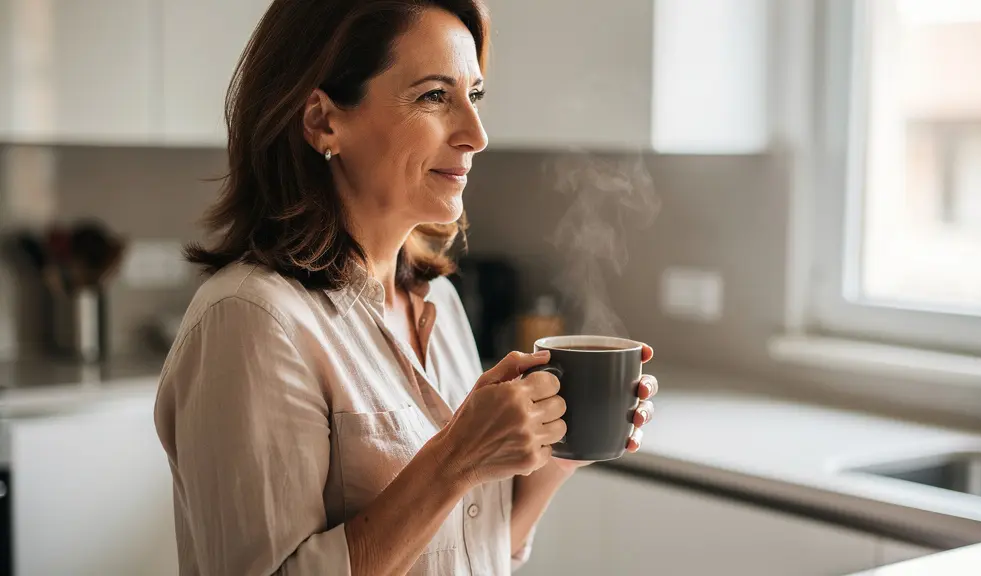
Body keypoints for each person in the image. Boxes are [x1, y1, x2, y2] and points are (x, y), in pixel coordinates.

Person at [153, 1, 659, 574]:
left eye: (474, 95)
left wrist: (558, 453)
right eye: (434, 96)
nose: (476, 135)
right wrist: (459, 458)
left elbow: (466, 554)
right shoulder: (250, 319)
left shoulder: (439, 301)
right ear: (323, 121)